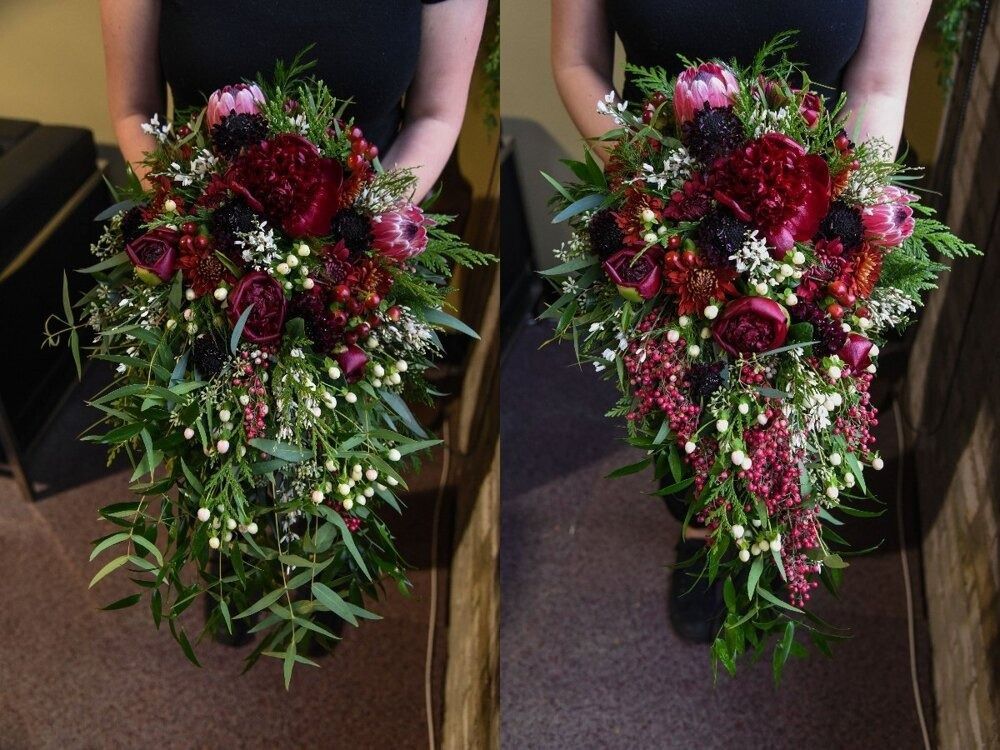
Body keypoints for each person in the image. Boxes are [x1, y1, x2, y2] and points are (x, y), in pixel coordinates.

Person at [98, 0, 487, 648]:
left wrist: (349, 233)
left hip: (355, 252)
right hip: (205, 248)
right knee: (220, 439)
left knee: (331, 449)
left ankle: (318, 565)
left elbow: (435, 114)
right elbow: (135, 111)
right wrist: (205, 219)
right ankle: (229, 553)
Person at [551, 0, 931, 642]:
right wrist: (665, 195)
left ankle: (777, 522)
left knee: (796, 401)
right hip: (666, 214)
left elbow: (879, 81)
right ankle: (701, 522)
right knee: (684, 398)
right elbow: (576, 61)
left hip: (818, 223)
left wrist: (827, 234)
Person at [100, 0, 488, 203]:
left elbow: (435, 116)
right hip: (196, 257)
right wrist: (182, 215)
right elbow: (134, 109)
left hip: (361, 281)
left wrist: (367, 229)